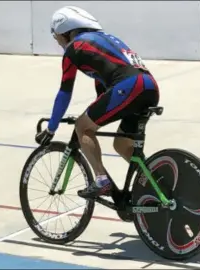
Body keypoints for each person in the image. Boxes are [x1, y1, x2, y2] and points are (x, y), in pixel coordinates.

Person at [35, 6, 160, 199]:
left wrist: (51, 129)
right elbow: (102, 89)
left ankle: (102, 181)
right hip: (149, 86)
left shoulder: (74, 48)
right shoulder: (103, 41)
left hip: (129, 86)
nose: (58, 42)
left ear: (65, 32)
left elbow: (64, 92)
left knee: (83, 127)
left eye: (57, 37)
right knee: (121, 145)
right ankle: (158, 183)